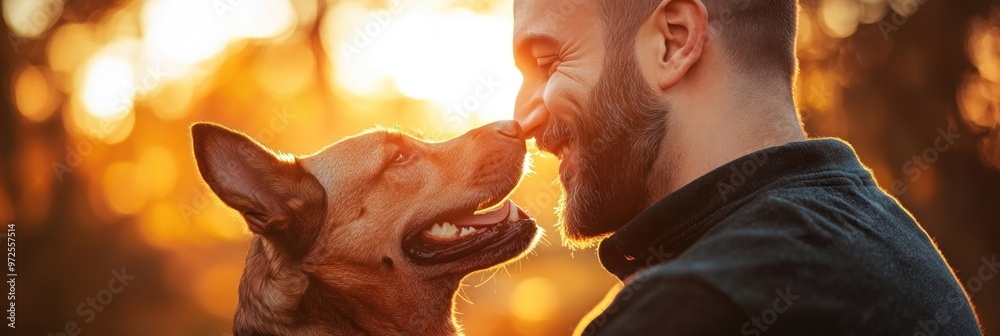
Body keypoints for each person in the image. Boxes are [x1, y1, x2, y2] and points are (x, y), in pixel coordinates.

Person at [511, 0, 982, 335]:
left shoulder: (690, 307)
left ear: (673, 42)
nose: (523, 117)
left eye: (549, 62)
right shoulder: (896, 242)